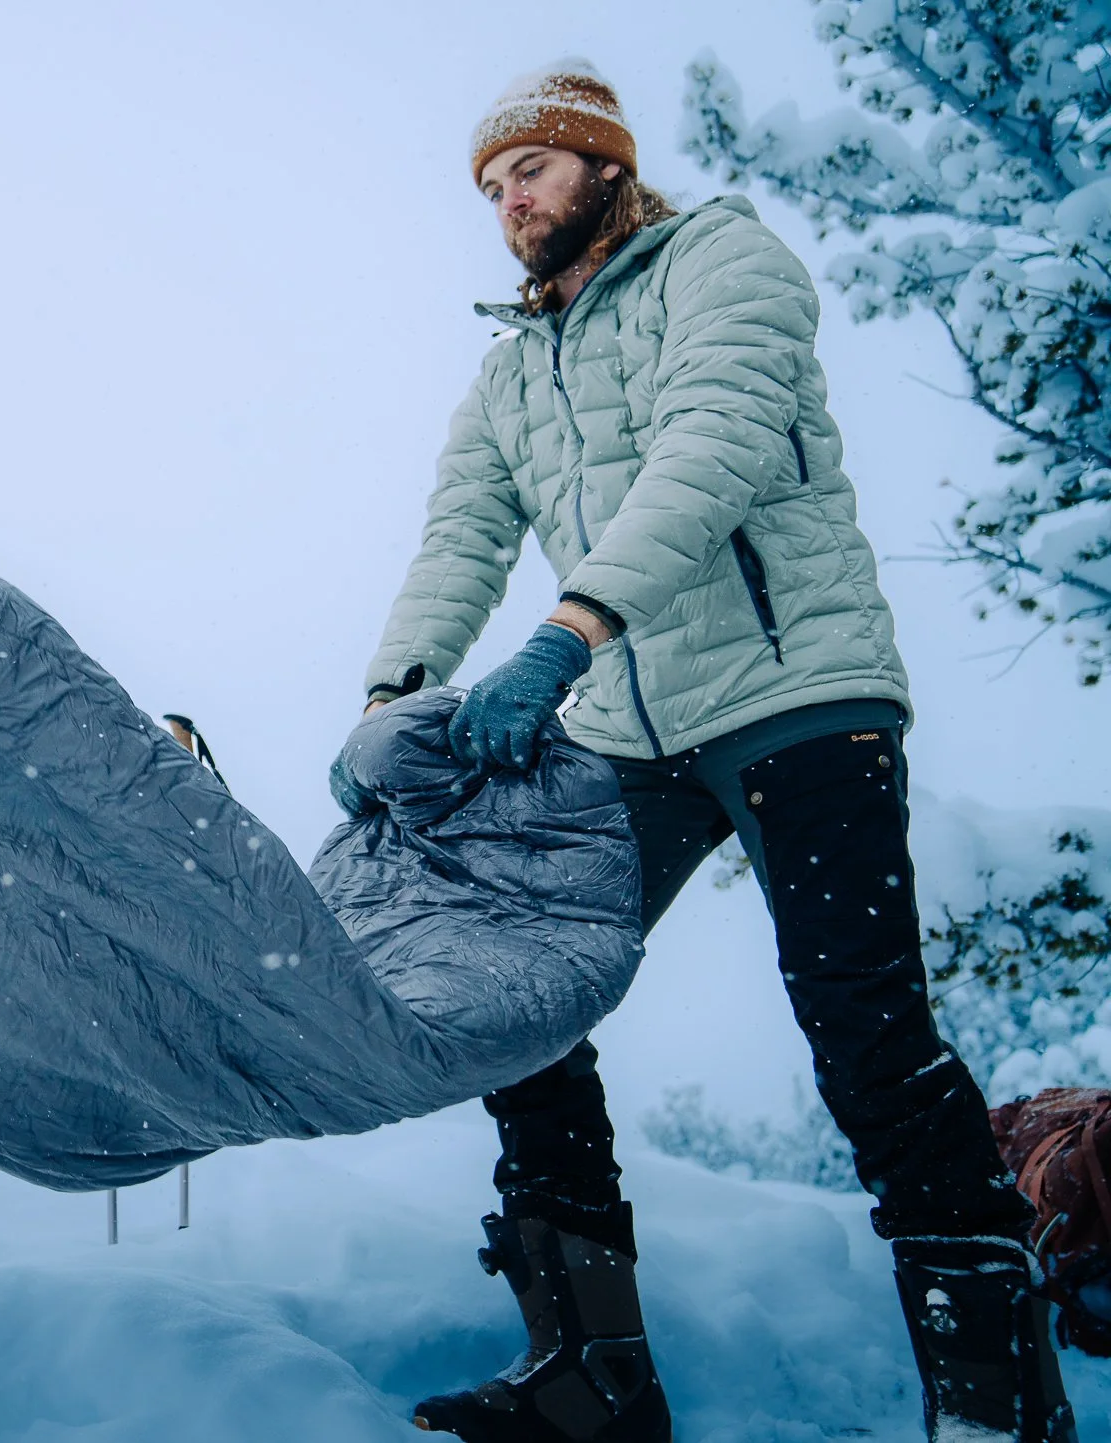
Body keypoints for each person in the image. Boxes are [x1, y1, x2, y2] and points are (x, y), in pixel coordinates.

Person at [350, 61, 1076, 1443]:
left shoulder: (719, 259)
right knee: (523, 994)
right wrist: (395, 694)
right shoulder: (513, 372)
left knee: (865, 1034)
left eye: (535, 171)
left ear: (605, 170)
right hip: (637, 723)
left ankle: (993, 1398)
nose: (512, 202)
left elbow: (718, 440)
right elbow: (460, 536)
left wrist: (567, 631)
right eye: (495, 187)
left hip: (799, 688)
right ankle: (592, 1372)